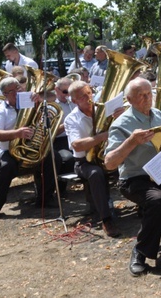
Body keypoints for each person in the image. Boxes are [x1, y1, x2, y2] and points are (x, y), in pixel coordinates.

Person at [105, 78, 161, 276]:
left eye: (149, 93)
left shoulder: (158, 114)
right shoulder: (121, 124)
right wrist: (131, 142)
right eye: (141, 95)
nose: (146, 98)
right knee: (158, 200)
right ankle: (140, 252)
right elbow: (109, 163)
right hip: (135, 178)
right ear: (129, 99)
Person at [0, 77, 55, 221]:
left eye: (18, 88)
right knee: (5, 167)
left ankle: (44, 199)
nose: (17, 93)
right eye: (11, 91)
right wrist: (17, 133)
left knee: (52, 159)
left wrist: (38, 104)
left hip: (31, 148)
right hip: (10, 151)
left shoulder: (30, 104)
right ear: (4, 94)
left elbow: (45, 119)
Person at [65, 80, 119, 237]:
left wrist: (120, 117)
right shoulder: (71, 119)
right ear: (74, 101)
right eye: (83, 96)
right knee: (95, 173)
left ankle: (146, 209)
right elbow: (77, 145)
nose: (89, 98)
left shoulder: (103, 109)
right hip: (84, 162)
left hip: (107, 155)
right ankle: (106, 219)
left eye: (89, 93)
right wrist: (101, 137)